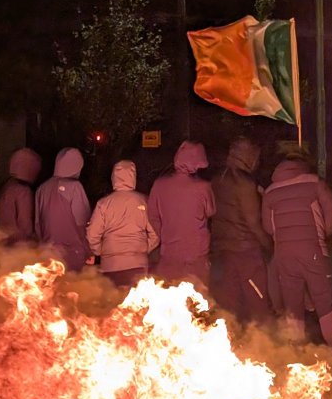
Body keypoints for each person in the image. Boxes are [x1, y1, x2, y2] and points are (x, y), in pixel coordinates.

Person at [262, 154, 332, 349]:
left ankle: (296, 345)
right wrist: (325, 232)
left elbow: (268, 227)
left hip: (284, 253)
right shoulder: (314, 182)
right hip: (312, 249)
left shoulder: (270, 191)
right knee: (323, 296)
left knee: (292, 299)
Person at [211, 137, 273, 324]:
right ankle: (265, 339)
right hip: (247, 253)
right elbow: (253, 223)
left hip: (223, 251)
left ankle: (235, 339)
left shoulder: (217, 179)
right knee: (258, 305)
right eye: (256, 156)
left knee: (230, 308)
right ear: (248, 155)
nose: (257, 162)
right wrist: (270, 246)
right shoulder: (244, 183)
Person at [148, 140, 216, 287]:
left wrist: (165, 235)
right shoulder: (203, 187)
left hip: (168, 255)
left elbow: (152, 216)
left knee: (169, 297)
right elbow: (211, 212)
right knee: (197, 297)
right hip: (196, 256)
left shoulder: (159, 184)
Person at [86, 160, 159, 288]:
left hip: (110, 265)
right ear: (133, 177)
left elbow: (92, 234)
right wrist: (143, 250)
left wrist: (101, 251)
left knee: (111, 299)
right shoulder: (144, 201)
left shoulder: (103, 203)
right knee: (136, 300)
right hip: (137, 264)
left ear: (113, 177)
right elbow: (156, 233)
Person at [35, 147, 91, 272]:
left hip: (47, 252)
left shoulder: (42, 188)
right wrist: (88, 250)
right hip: (72, 253)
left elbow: (38, 223)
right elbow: (82, 222)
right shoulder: (75, 187)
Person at [0, 147, 41, 244]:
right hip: (19, 244)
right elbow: (25, 224)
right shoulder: (23, 191)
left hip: (5, 239)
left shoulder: (7, 186)